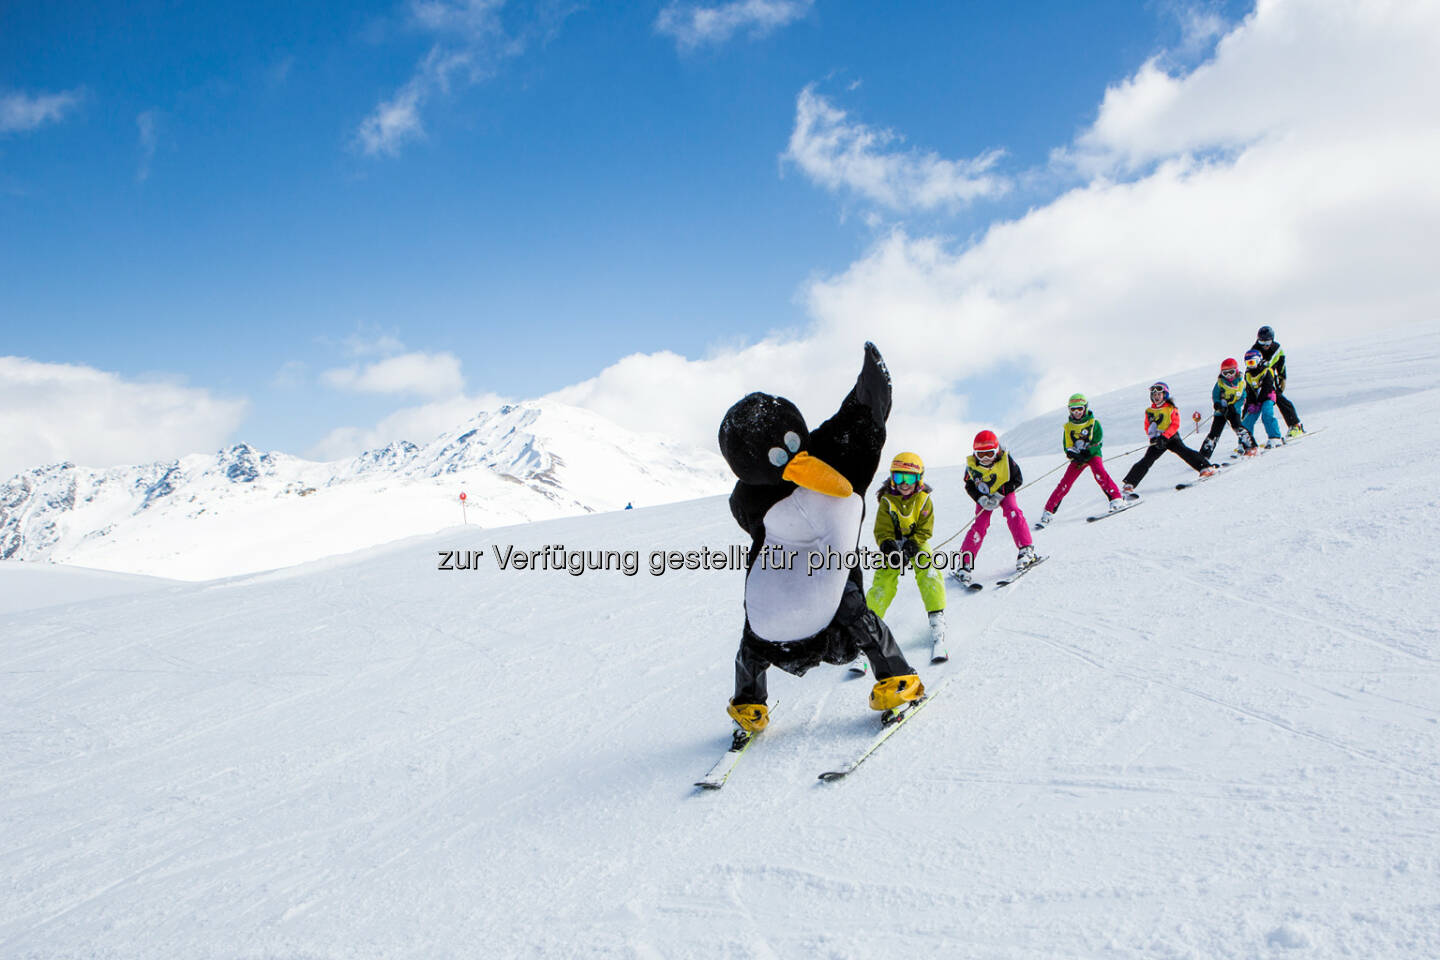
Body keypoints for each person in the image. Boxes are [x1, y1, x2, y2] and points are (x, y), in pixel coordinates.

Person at [717, 343, 923, 736]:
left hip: (830, 567)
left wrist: (870, 387)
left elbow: (859, 420)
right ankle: (749, 706)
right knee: (757, 637)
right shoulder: (750, 494)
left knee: (854, 617)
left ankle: (897, 679)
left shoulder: (826, 455)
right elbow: (748, 516)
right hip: (781, 579)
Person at [862, 452, 947, 667]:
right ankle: (868, 630)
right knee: (883, 583)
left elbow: (925, 529)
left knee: (929, 570)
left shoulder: (924, 500)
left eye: (909, 478)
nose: (904, 484)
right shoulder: (887, 500)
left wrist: (913, 545)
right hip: (893, 545)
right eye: (899, 478)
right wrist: (888, 546)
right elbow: (882, 529)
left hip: (915, 543)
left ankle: (937, 620)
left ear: (919, 479)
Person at [954, 430, 1037, 585]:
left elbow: (1017, 479)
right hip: (985, 497)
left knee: (1013, 512)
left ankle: (1026, 549)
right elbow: (969, 485)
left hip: (1004, 493)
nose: (985, 459)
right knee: (980, 525)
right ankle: (964, 563)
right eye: (981, 455)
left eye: (989, 454)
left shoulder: (1006, 460)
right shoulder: (972, 467)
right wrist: (980, 498)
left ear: (997, 451)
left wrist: (1001, 493)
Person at [1035, 393, 1124, 528]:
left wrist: (1089, 451)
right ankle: (1048, 512)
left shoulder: (1094, 423)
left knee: (1099, 472)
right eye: (1073, 409)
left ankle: (1116, 499)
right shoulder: (1068, 426)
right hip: (1078, 458)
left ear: (1085, 408)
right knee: (1065, 483)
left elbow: (1098, 441)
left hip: (1092, 454)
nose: (1076, 412)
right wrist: (1072, 454)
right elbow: (1067, 444)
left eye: (1080, 409)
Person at [1121, 382, 1217, 495]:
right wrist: (1152, 438)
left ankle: (1205, 467)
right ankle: (1129, 484)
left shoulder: (1171, 408)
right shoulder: (1149, 411)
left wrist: (1165, 436)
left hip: (1171, 438)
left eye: (1159, 395)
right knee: (1147, 460)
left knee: (1184, 452)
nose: (1156, 397)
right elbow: (1147, 426)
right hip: (1158, 440)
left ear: (1164, 395)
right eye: (1154, 395)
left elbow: (1175, 424)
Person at [1251, 325, 1305, 438]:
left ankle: (1295, 425)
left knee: (1280, 400)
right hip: (1258, 382)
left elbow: (1281, 365)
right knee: (1251, 406)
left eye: (1267, 342)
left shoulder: (1277, 349)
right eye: (1261, 342)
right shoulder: (1255, 349)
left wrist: (1282, 378)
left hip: (1270, 381)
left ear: (1272, 340)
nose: (1264, 345)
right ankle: (1245, 438)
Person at [1199, 359, 1258, 460]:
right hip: (1221, 411)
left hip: (1234, 411)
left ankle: (1251, 446)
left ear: (1236, 371)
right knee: (1215, 432)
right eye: (1225, 373)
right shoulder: (1220, 383)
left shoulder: (1241, 383)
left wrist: (1234, 407)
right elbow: (1215, 395)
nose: (1229, 375)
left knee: (1238, 427)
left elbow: (1243, 398)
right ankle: (1204, 455)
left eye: (1231, 372)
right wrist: (1217, 404)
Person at [1242, 349, 1285, 447]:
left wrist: (1259, 401)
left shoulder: (1266, 371)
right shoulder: (1248, 374)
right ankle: (1246, 442)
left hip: (1268, 397)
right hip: (1256, 400)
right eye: (1248, 363)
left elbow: (1267, 387)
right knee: (1247, 419)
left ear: (1258, 360)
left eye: (1252, 362)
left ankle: (1275, 437)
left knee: (1267, 415)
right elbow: (1249, 390)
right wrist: (1252, 402)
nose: (1250, 365)